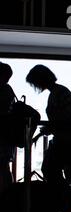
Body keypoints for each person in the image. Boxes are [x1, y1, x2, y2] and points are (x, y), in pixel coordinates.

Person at [26, 64, 71, 212]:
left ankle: (68, 204)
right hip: (65, 137)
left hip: (65, 138)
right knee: (52, 170)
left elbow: (61, 119)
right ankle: (67, 203)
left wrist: (43, 131)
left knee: (50, 170)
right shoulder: (59, 92)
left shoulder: (58, 93)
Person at [0, 62, 15, 195]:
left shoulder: (4, 90)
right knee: (4, 168)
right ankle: (8, 199)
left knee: (3, 168)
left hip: (3, 136)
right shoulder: (7, 90)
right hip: (6, 137)